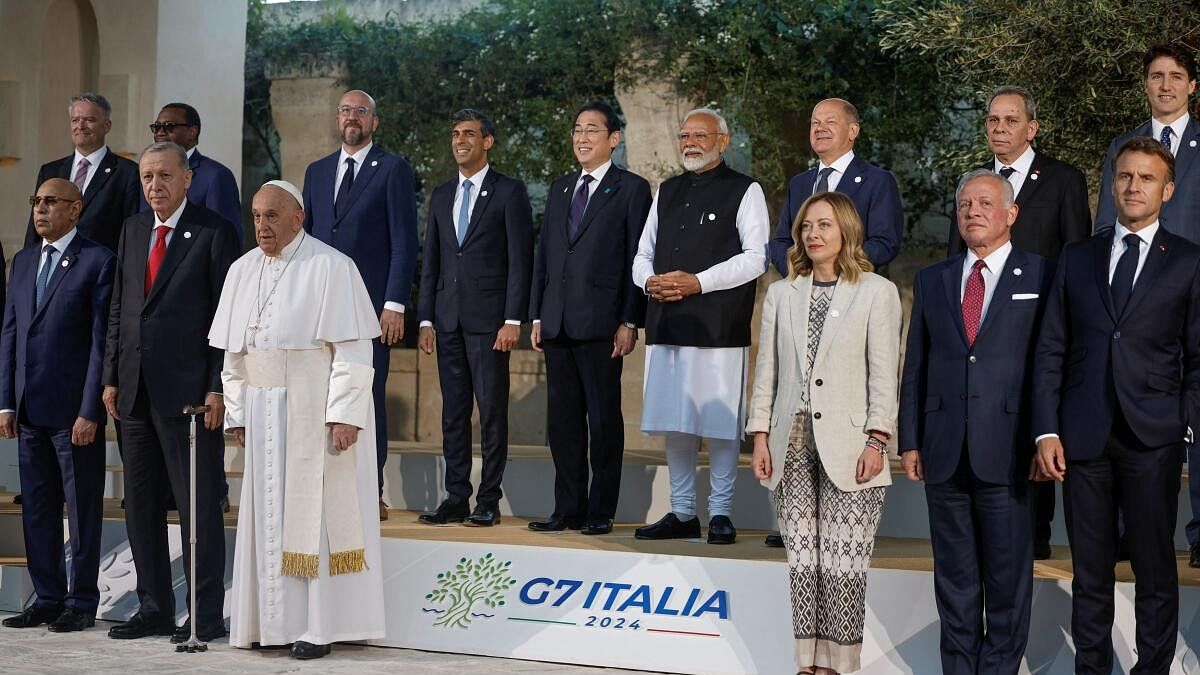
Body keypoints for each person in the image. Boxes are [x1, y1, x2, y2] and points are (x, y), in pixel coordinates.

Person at [1033, 136, 1198, 674]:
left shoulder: (1190, 262)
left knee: (1154, 570)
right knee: (1091, 572)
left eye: (1146, 178)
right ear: (1112, 183)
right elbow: (1052, 347)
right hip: (1082, 437)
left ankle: (1152, 668)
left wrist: (1183, 423)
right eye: (1125, 176)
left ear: (1167, 190)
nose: (1133, 186)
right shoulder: (1078, 257)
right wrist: (1046, 431)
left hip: (1153, 437)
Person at [210, 180, 385, 660]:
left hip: (315, 408)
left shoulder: (331, 266)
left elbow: (353, 350)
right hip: (264, 413)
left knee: (316, 516)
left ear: (297, 218)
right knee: (268, 517)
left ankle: (317, 625)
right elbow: (234, 355)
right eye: (257, 216)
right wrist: (239, 413)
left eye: (271, 216)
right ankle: (269, 622)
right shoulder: (242, 270)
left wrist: (345, 415)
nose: (262, 226)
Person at [901, 170, 1052, 673]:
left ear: (1011, 214)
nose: (972, 212)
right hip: (943, 453)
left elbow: (1049, 365)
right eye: (964, 204)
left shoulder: (1042, 276)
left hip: (1010, 451)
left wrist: (1043, 435)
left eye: (985, 203)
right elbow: (916, 366)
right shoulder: (933, 278)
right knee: (956, 584)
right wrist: (910, 439)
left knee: (1008, 584)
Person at [748, 191, 900, 674]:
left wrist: (878, 440)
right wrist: (759, 438)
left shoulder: (877, 292)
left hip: (853, 445)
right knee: (804, 563)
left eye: (824, 226)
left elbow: (884, 374)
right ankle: (807, 664)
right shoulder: (781, 292)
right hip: (788, 439)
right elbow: (766, 372)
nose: (813, 234)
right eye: (807, 226)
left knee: (844, 565)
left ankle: (841, 666)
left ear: (847, 232)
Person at [102, 141, 239, 643]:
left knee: (196, 507)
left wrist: (217, 385)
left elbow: (226, 322)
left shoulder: (213, 231)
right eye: (146, 177)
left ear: (186, 179)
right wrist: (111, 375)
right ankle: (154, 607)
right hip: (135, 390)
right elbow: (120, 307)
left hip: (189, 398)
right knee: (139, 507)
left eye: (163, 176)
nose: (154, 185)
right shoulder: (132, 229)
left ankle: (204, 614)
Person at [947, 86, 1090, 560]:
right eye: (992, 121)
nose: (1000, 129)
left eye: (1010, 121)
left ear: (1032, 128)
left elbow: (1076, 256)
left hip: (1039, 333)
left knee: (1036, 428)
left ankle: (1037, 537)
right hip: (975, 334)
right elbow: (954, 262)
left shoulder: (1063, 180)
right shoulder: (972, 186)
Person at [631, 108, 769, 545]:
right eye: (684, 135)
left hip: (718, 327)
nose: (690, 142)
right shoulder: (666, 191)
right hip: (668, 320)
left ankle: (722, 513)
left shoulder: (746, 190)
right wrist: (649, 281)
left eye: (700, 135)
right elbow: (641, 254)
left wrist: (698, 282)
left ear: (723, 141)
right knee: (677, 421)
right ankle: (684, 512)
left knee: (719, 422)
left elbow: (756, 258)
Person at [1097, 44, 1200, 570]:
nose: (1165, 85)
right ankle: (1122, 533)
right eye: (1156, 76)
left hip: (1195, 294)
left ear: (1191, 86)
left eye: (1175, 77)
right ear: (1146, 85)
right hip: (1133, 302)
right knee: (1123, 408)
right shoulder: (1122, 146)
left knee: (1196, 410)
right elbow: (1103, 227)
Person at [528, 101, 652, 535]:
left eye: (592, 131)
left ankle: (601, 510)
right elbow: (544, 256)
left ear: (613, 139)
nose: (582, 138)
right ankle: (567, 509)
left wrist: (629, 320)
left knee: (602, 420)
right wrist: (537, 316)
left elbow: (639, 258)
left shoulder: (632, 190)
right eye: (577, 130)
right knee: (562, 423)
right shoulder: (561, 188)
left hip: (604, 325)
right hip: (557, 321)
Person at [0, 179, 114, 632]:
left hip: (74, 414)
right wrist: (5, 402)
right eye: (36, 202)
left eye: (50, 202)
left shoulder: (97, 261)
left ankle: (81, 602)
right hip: (28, 409)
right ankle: (46, 597)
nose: (40, 210)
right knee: (38, 509)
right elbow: (10, 333)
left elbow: (99, 345)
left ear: (75, 209)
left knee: (82, 510)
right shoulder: (24, 261)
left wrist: (90, 409)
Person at [303, 89, 420, 521]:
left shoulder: (392, 170)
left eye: (361, 111)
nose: (352, 117)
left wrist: (395, 303)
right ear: (338, 119)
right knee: (319, 398)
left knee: (366, 396)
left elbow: (404, 241)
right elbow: (307, 241)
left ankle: (372, 489)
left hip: (371, 309)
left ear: (374, 122)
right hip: (319, 309)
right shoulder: (316, 172)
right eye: (346, 110)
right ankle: (322, 488)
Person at [417, 109, 533, 527]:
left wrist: (513, 319)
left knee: (492, 413)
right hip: (447, 320)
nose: (460, 140)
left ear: (488, 142)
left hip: (490, 324)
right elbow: (431, 259)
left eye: (469, 133)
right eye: (455, 134)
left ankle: (488, 500)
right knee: (453, 414)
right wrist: (425, 319)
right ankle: (456, 497)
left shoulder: (509, 192)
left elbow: (521, 261)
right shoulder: (443, 193)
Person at [768, 98, 903, 276]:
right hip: (802, 289)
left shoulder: (877, 181)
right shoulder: (799, 183)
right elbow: (781, 241)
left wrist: (831, 270)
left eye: (830, 122)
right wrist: (797, 274)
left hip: (854, 287)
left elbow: (884, 243)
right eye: (815, 123)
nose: (820, 128)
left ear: (853, 131)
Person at [25, 93, 141, 253]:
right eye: (75, 120)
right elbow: (35, 227)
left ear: (107, 126)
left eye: (89, 120)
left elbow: (132, 232)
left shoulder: (127, 172)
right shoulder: (51, 170)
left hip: (101, 270)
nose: (80, 126)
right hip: (52, 266)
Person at [145, 102, 244, 243]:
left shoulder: (216, 176)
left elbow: (227, 237)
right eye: (156, 127)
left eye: (169, 126)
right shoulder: (146, 173)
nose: (160, 132)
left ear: (192, 131)